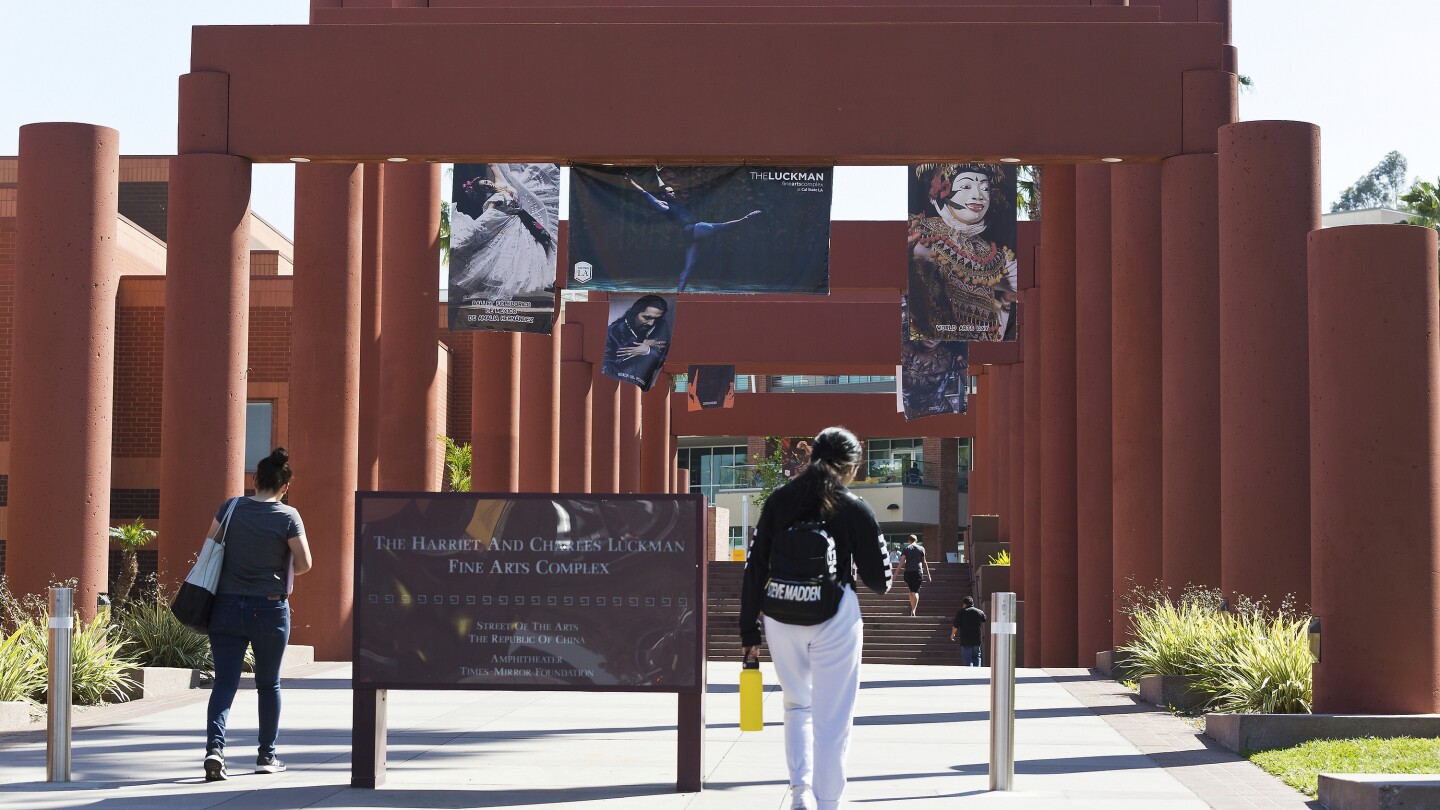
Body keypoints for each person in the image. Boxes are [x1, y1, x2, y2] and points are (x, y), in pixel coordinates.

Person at [740, 427, 892, 810]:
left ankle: (800, 793)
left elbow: (755, 567)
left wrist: (748, 628)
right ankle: (827, 802)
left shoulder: (779, 500)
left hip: (780, 614)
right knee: (833, 717)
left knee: (797, 705)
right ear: (850, 467)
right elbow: (880, 581)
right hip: (835, 616)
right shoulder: (855, 507)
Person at [202, 448, 313, 782]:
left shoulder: (230, 508)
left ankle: (215, 750)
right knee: (269, 683)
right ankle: (267, 754)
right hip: (269, 607)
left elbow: (210, 547)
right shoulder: (288, 517)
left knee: (224, 682)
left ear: (254, 479)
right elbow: (306, 563)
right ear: (286, 485)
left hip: (226, 606)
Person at [907, 163, 1019, 342]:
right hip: (927, 342)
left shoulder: (996, 257)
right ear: (944, 192)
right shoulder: (919, 232)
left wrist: (1005, 302)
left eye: (985, 188)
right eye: (966, 186)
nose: (978, 196)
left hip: (977, 350)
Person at [625, 167, 763, 292]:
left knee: (688, 269)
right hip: (693, 228)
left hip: (690, 235)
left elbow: (663, 187)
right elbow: (644, 193)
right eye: (670, 192)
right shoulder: (663, 205)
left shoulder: (669, 199)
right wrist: (631, 181)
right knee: (719, 227)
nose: (673, 193)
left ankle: (679, 293)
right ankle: (745, 219)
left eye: (673, 191)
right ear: (663, 196)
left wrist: (657, 174)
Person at [449, 163, 560, 301]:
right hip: (514, 225)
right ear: (484, 191)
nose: (488, 184)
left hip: (524, 221)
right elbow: (486, 218)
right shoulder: (493, 199)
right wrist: (469, 230)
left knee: (531, 251)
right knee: (514, 258)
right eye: (485, 186)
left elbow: (494, 166)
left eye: (486, 182)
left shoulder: (501, 183)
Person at [601, 295, 672, 391]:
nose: (651, 323)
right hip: (620, 388)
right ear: (635, 313)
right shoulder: (613, 333)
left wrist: (647, 350)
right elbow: (606, 367)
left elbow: (663, 358)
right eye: (647, 317)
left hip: (644, 388)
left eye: (656, 319)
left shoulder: (661, 327)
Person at [950, 595, 987, 667]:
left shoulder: (961, 612)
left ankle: (970, 675)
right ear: (972, 603)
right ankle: (977, 674)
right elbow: (984, 619)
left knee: (968, 659)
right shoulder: (979, 612)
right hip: (977, 639)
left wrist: (953, 634)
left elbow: (955, 625)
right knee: (977, 657)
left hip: (965, 639)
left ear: (964, 604)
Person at [900, 535, 931, 616]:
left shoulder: (906, 548)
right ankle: (913, 609)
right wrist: (928, 574)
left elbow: (902, 561)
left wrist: (896, 573)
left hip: (908, 572)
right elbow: (924, 562)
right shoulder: (921, 548)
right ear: (916, 540)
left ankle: (912, 608)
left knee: (911, 591)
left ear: (909, 540)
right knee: (915, 591)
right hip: (917, 571)